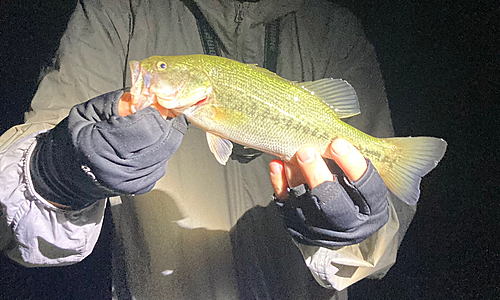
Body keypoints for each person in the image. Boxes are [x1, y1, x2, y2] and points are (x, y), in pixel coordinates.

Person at [0, 0, 416, 299]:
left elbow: (384, 239)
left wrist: (354, 233)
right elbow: (12, 215)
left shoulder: (333, 28)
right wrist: (54, 172)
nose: (149, 70)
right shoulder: (119, 10)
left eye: (162, 68)